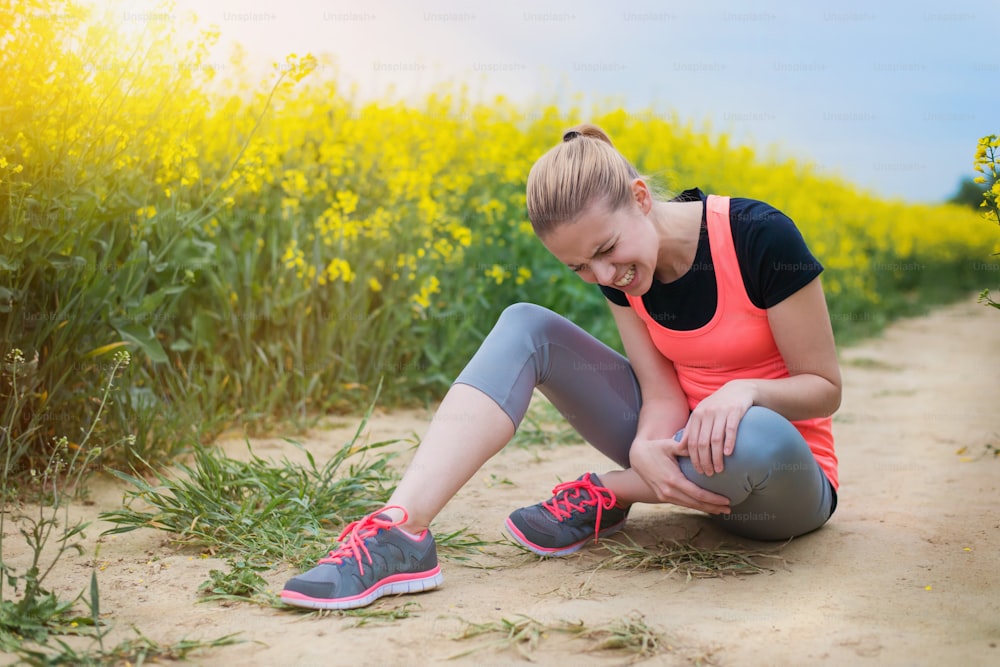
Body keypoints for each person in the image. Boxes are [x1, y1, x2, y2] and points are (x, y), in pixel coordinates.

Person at [280, 123, 842, 611]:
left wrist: (743, 392)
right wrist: (649, 441)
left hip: (780, 482)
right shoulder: (624, 276)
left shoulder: (759, 237)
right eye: (580, 266)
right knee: (526, 323)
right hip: (679, 455)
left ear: (641, 198)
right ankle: (399, 531)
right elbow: (662, 391)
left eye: (607, 249)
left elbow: (824, 388)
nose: (602, 276)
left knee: (753, 435)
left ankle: (613, 491)